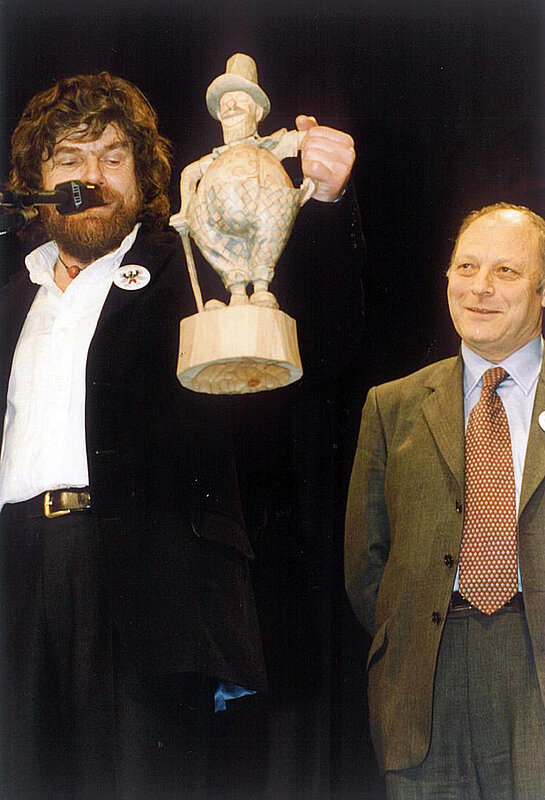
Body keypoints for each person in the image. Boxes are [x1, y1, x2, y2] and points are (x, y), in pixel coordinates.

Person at [0, 70, 356, 800]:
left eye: (113, 157)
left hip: (147, 586)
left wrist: (325, 201)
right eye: (69, 159)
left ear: (144, 177)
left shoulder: (192, 265)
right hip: (16, 578)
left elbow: (314, 319)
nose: (92, 177)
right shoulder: (10, 299)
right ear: (37, 182)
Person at [345, 203, 545, 799]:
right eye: (466, 267)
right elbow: (366, 568)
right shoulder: (392, 406)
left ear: (542, 290)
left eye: (506, 271)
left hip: (533, 665)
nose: (480, 287)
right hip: (423, 688)